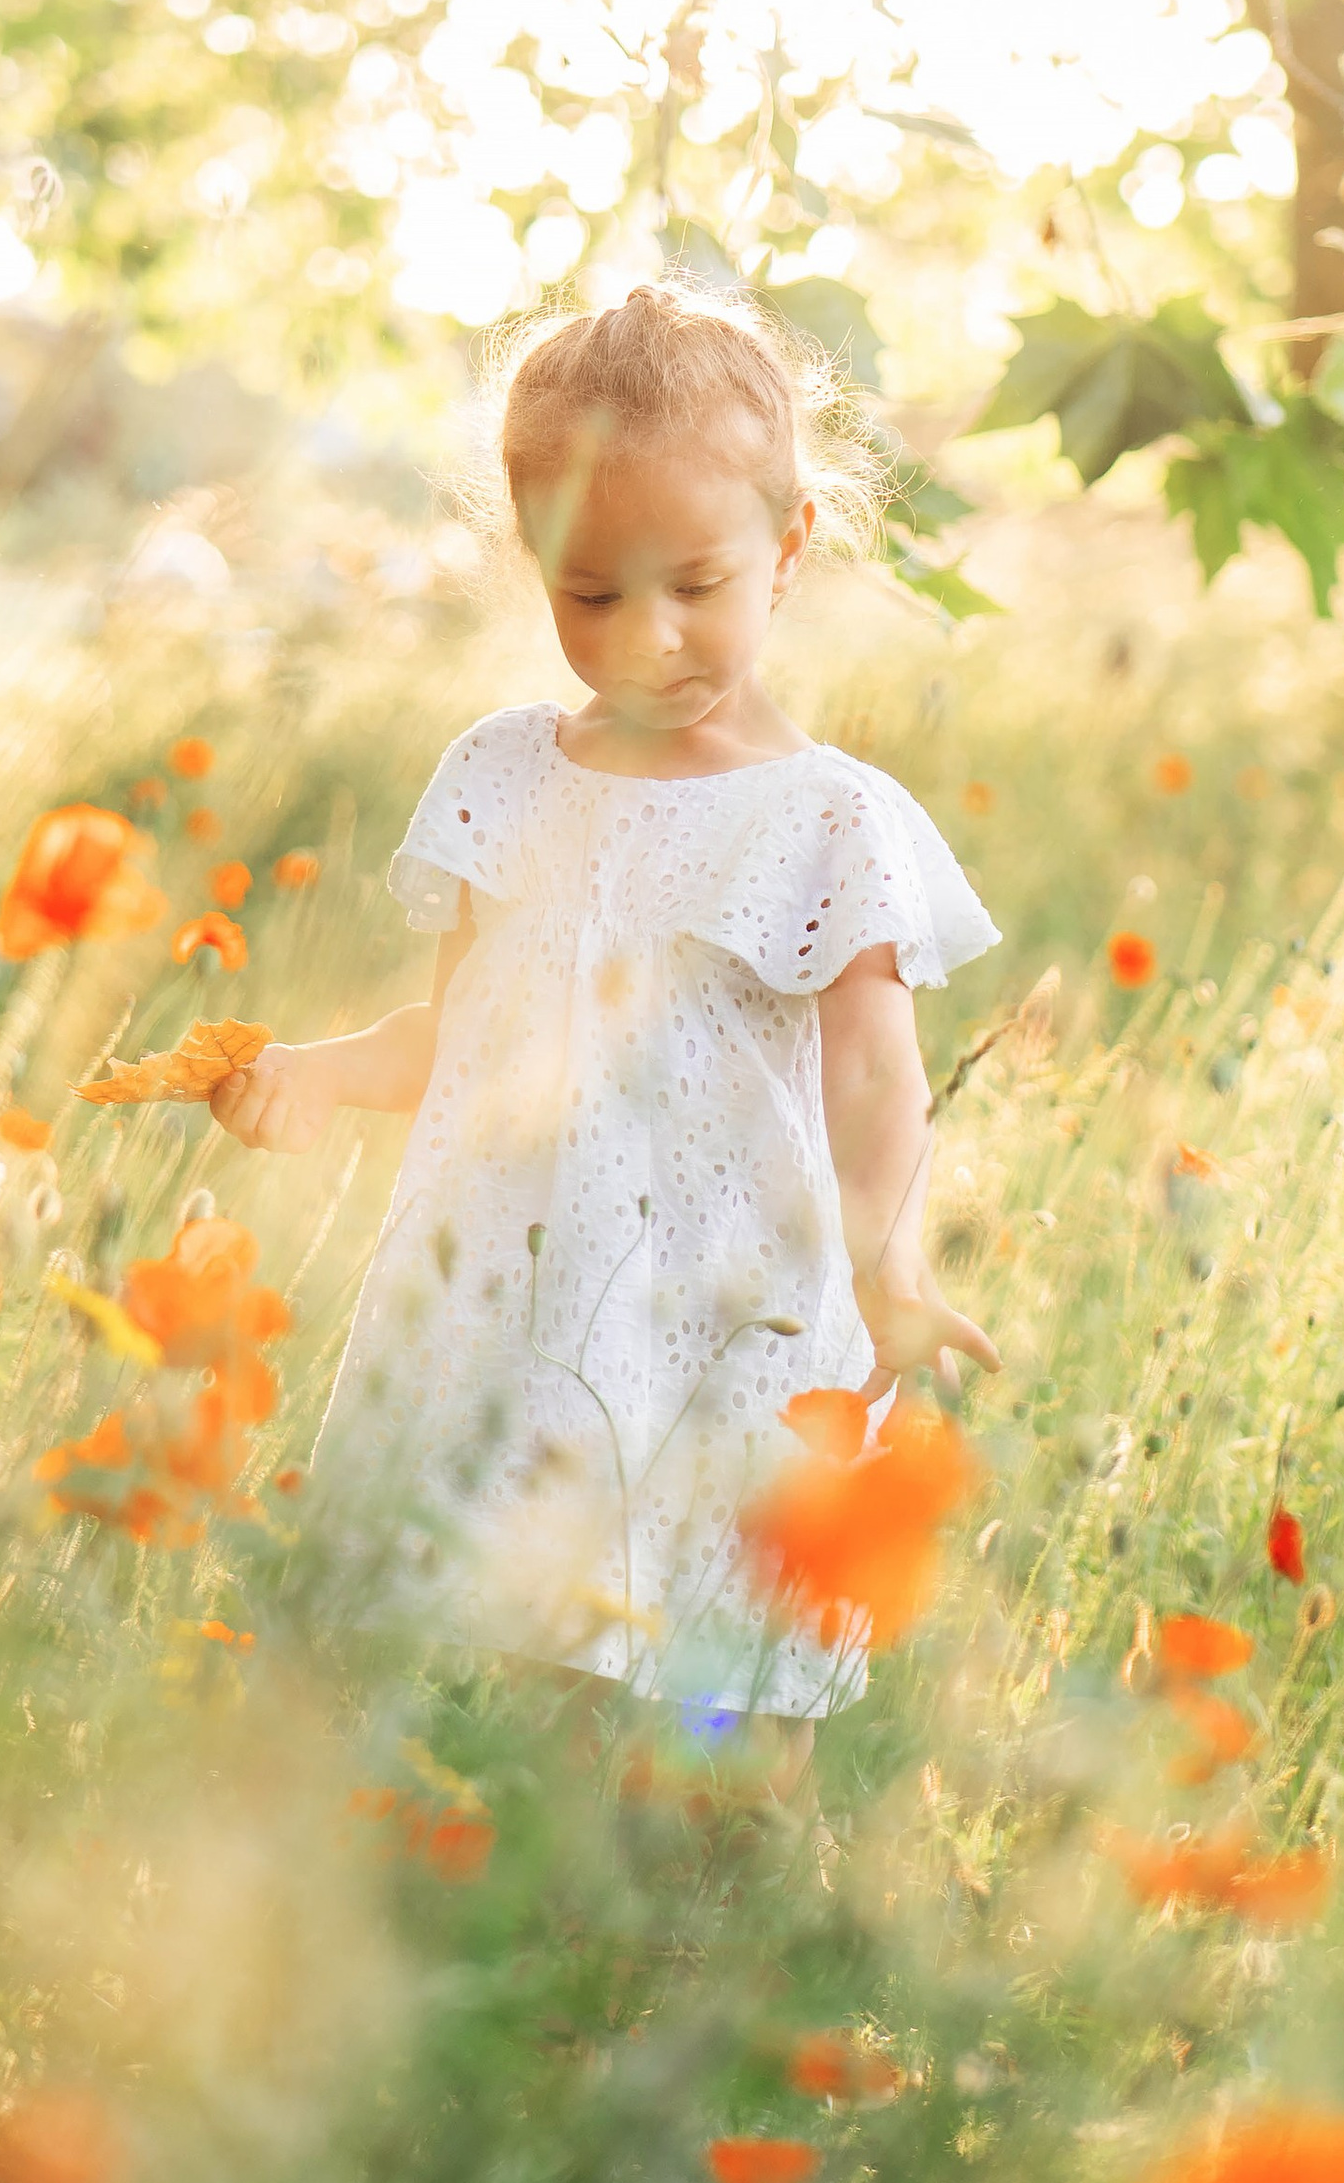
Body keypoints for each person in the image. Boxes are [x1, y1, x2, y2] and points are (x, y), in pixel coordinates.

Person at [208, 283, 1001, 1750]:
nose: (645, 637)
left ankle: (731, 1939)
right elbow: (466, 1035)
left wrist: (892, 1268)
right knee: (537, 1654)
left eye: (695, 585)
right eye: (591, 593)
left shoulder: (824, 821)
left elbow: (879, 1080)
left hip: (725, 1311)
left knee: (721, 1673)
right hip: (518, 1302)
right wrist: (317, 1074)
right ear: (536, 564)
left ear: (791, 545)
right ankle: (544, 1920)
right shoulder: (507, 779)